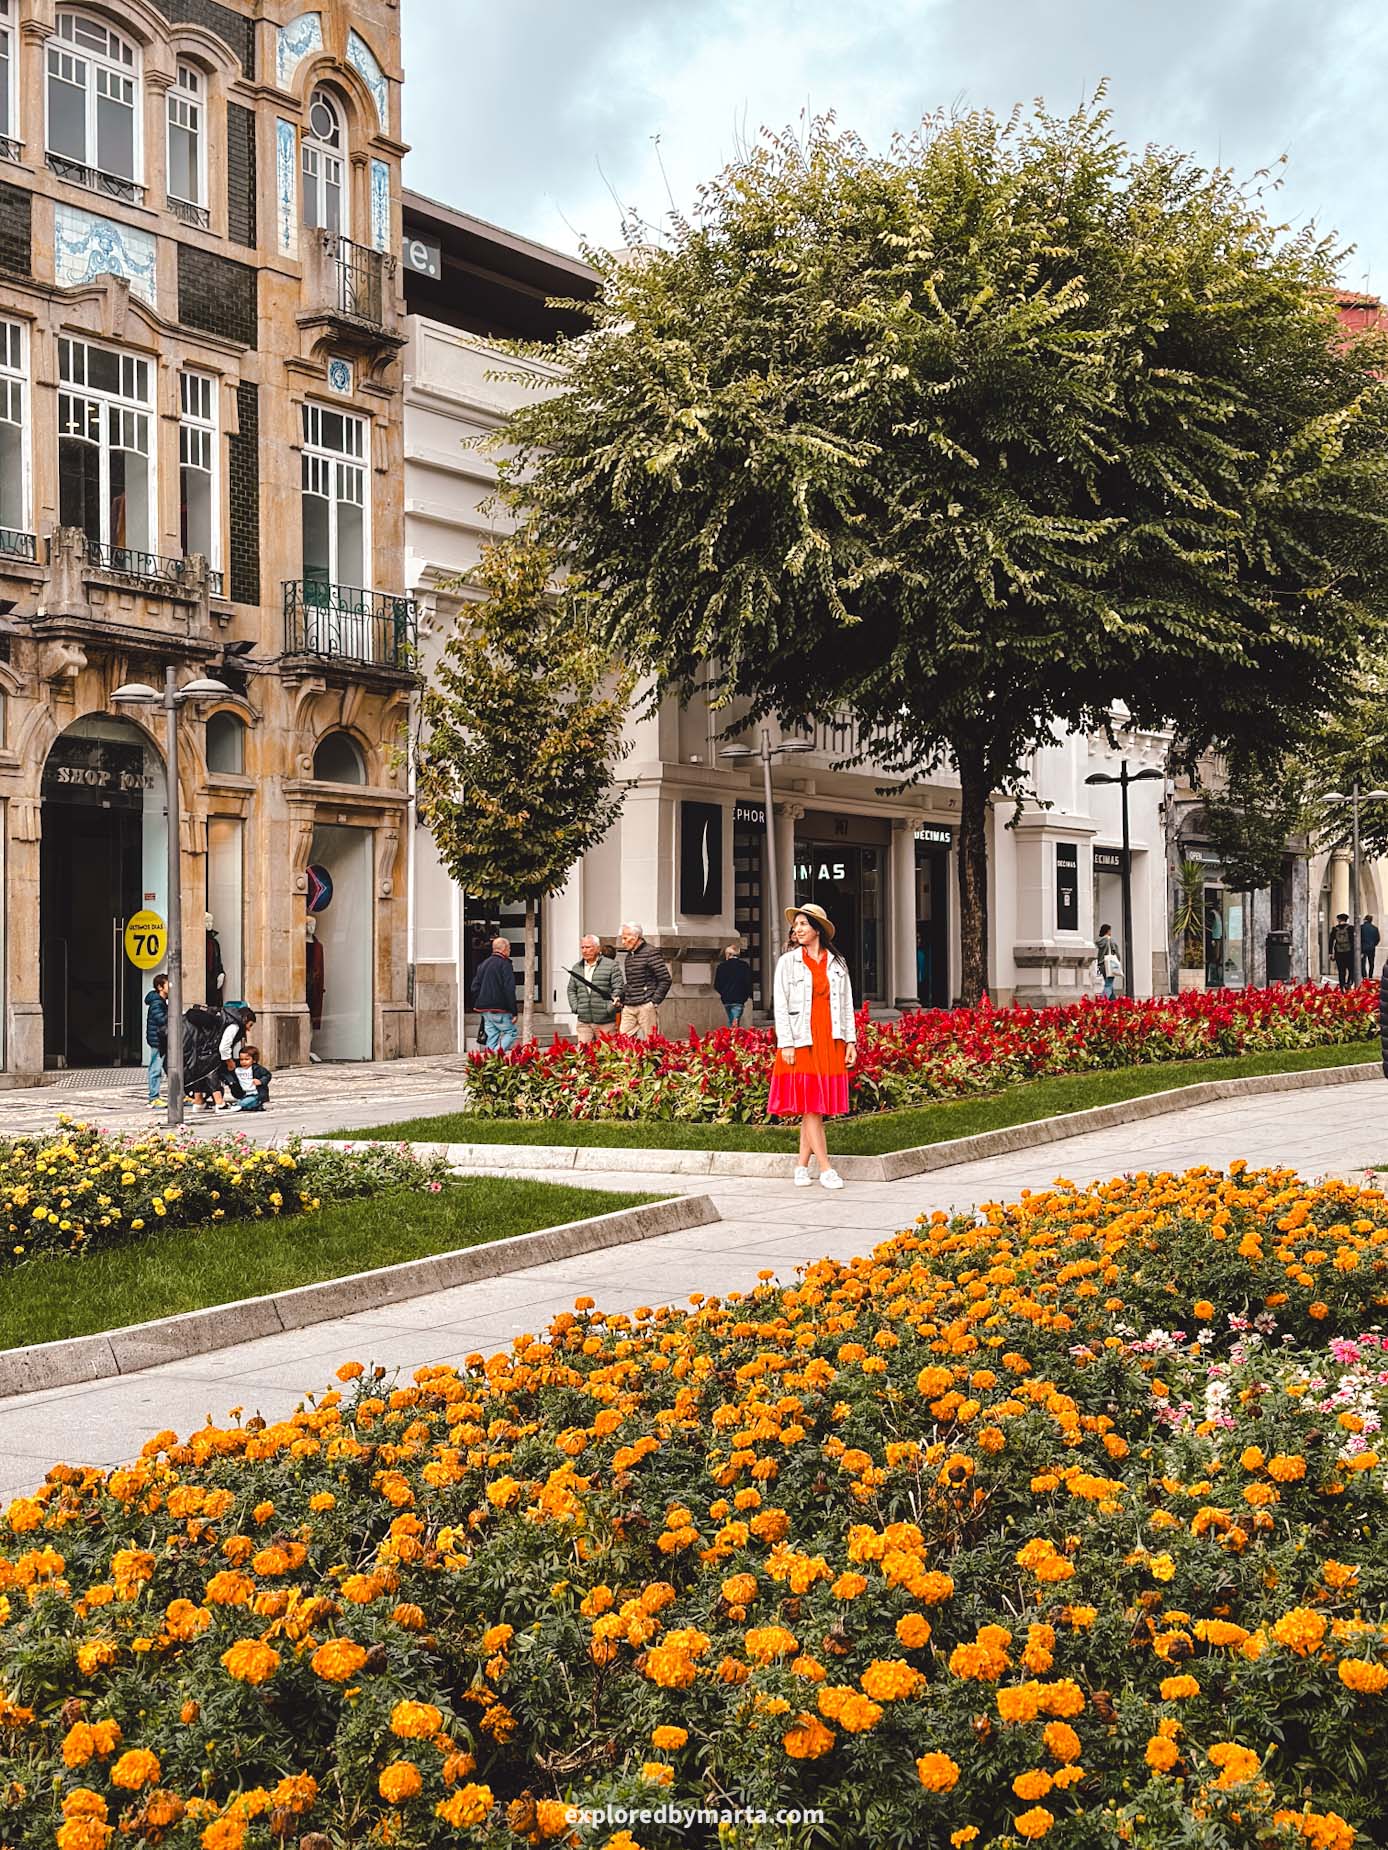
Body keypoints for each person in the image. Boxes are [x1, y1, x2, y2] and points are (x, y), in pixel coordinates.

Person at [769, 904, 858, 1191]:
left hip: (830, 1039)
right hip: (801, 1040)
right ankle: (826, 1168)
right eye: (795, 925)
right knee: (811, 1106)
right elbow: (780, 1005)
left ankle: (800, 1166)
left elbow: (847, 1004)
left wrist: (851, 1040)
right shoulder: (788, 962)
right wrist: (786, 1043)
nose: (797, 929)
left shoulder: (837, 964)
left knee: (814, 1108)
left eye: (803, 924)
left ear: (817, 929)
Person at [617, 922, 671, 1038]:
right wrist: (620, 996)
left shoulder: (651, 952)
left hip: (646, 1005)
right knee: (622, 1040)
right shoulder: (629, 956)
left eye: (625, 938)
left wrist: (653, 1002)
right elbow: (631, 983)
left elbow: (665, 979)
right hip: (629, 1005)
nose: (623, 942)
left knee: (651, 1041)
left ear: (635, 937)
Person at [567, 934, 623, 1043]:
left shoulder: (611, 965)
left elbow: (618, 987)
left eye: (588, 947)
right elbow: (571, 989)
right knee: (583, 1052)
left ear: (597, 948)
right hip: (584, 1021)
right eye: (582, 947)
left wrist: (609, 1008)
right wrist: (576, 1007)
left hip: (605, 1022)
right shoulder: (577, 968)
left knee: (607, 1052)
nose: (584, 950)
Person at [471, 936, 519, 1051]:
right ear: (504, 948)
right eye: (509, 948)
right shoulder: (505, 964)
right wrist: (514, 1011)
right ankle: (497, 1055)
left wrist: (482, 1000)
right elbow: (509, 989)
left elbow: (474, 988)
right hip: (499, 1008)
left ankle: (490, 1059)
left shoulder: (483, 964)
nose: (510, 950)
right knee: (511, 1032)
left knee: (492, 1036)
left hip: (484, 1009)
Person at [144, 973, 170, 1109]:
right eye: (168, 984)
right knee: (155, 1069)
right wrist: (173, 1014)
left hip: (163, 1039)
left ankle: (179, 1094)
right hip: (158, 1041)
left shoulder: (162, 1002)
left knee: (170, 1068)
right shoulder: (157, 1003)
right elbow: (161, 1020)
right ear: (160, 987)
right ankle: (153, 1098)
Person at [714, 942, 754, 1027]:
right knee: (734, 1024)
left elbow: (717, 984)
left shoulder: (721, 967)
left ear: (728, 954)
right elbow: (748, 983)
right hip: (739, 999)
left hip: (726, 999)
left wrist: (724, 993)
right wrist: (746, 996)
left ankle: (731, 1035)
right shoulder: (744, 966)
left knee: (732, 1022)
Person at [229, 1043, 272, 1110]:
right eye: (241, 1059)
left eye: (247, 1059)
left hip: (256, 1094)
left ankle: (256, 1103)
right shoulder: (237, 1069)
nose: (243, 1062)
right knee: (244, 1103)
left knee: (244, 1103)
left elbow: (267, 1075)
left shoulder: (257, 1068)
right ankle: (257, 1106)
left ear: (254, 1060)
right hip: (244, 1094)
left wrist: (261, 1081)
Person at [1095, 923, 1121, 1002]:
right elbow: (1116, 952)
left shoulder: (1098, 941)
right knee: (1108, 984)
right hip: (1109, 965)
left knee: (1108, 983)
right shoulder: (1110, 940)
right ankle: (1103, 1002)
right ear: (1108, 931)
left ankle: (1113, 1002)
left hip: (1101, 965)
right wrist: (1118, 961)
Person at [1329, 913, 1355, 990]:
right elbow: (1353, 941)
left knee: (1341, 970)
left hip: (1339, 952)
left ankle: (1342, 985)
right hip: (1349, 952)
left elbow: (1331, 941)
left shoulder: (1335, 929)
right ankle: (1349, 983)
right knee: (1351, 969)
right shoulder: (1350, 928)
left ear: (1338, 920)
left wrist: (1330, 953)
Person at [1362, 914, 1380, 981]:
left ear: (1365, 920)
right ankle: (1370, 976)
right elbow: (1378, 939)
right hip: (1371, 948)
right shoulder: (1375, 928)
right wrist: (1373, 944)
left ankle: (1364, 976)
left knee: (1362, 963)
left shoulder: (1361, 927)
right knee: (1371, 963)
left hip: (1363, 948)